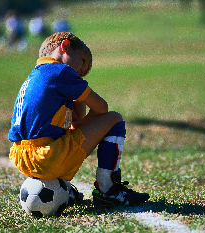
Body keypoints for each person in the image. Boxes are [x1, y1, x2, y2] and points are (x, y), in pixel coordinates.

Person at [8, 32, 150, 208]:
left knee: (70, 134)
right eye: (83, 61)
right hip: (47, 157)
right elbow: (101, 108)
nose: (82, 71)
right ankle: (108, 190)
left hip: (21, 156)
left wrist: (76, 101)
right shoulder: (60, 71)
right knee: (114, 118)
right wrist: (87, 121)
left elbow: (74, 123)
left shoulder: (37, 75)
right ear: (65, 46)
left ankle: (64, 189)